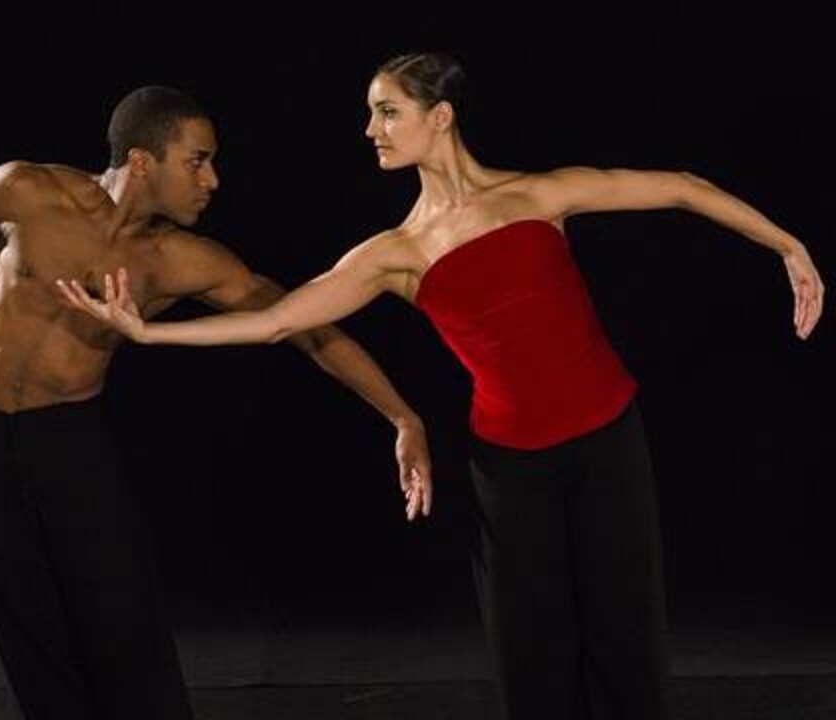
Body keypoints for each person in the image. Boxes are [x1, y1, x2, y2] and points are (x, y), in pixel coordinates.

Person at [58, 54, 824, 720]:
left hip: (607, 443)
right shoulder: (395, 253)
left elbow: (681, 187)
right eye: (369, 115)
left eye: (387, 111)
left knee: (627, 643)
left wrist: (788, 245)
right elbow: (278, 319)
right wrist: (150, 332)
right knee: (535, 659)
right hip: (510, 470)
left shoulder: (537, 196)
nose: (371, 129)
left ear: (442, 116)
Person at [0, 85, 432, 720]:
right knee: (24, 619)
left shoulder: (179, 261)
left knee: (120, 618)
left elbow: (303, 326)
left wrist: (402, 415)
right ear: (144, 161)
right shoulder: (26, 192)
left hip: (68, 439)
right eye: (197, 161)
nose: (213, 180)